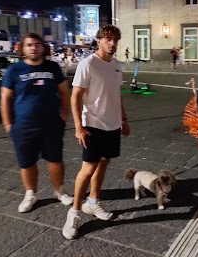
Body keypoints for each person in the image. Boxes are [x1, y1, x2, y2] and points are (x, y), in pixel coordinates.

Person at [63, 25, 131, 239]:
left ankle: (93, 201)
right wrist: (78, 127)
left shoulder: (117, 65)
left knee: (104, 163)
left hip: (112, 125)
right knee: (88, 168)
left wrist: (124, 119)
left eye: (115, 40)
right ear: (99, 41)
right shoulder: (88, 64)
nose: (112, 43)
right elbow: (75, 97)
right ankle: (74, 213)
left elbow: (116, 94)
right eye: (108, 39)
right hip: (92, 124)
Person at [0, 33, 73, 213]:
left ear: (43, 47)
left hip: (52, 124)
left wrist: (64, 114)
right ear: (22, 48)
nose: (34, 48)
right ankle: (30, 193)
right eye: (29, 45)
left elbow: (64, 92)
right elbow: (5, 98)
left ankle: (60, 191)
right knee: (27, 162)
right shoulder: (14, 70)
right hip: (24, 125)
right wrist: (8, 124)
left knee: (55, 159)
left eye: (38, 44)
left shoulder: (53, 67)